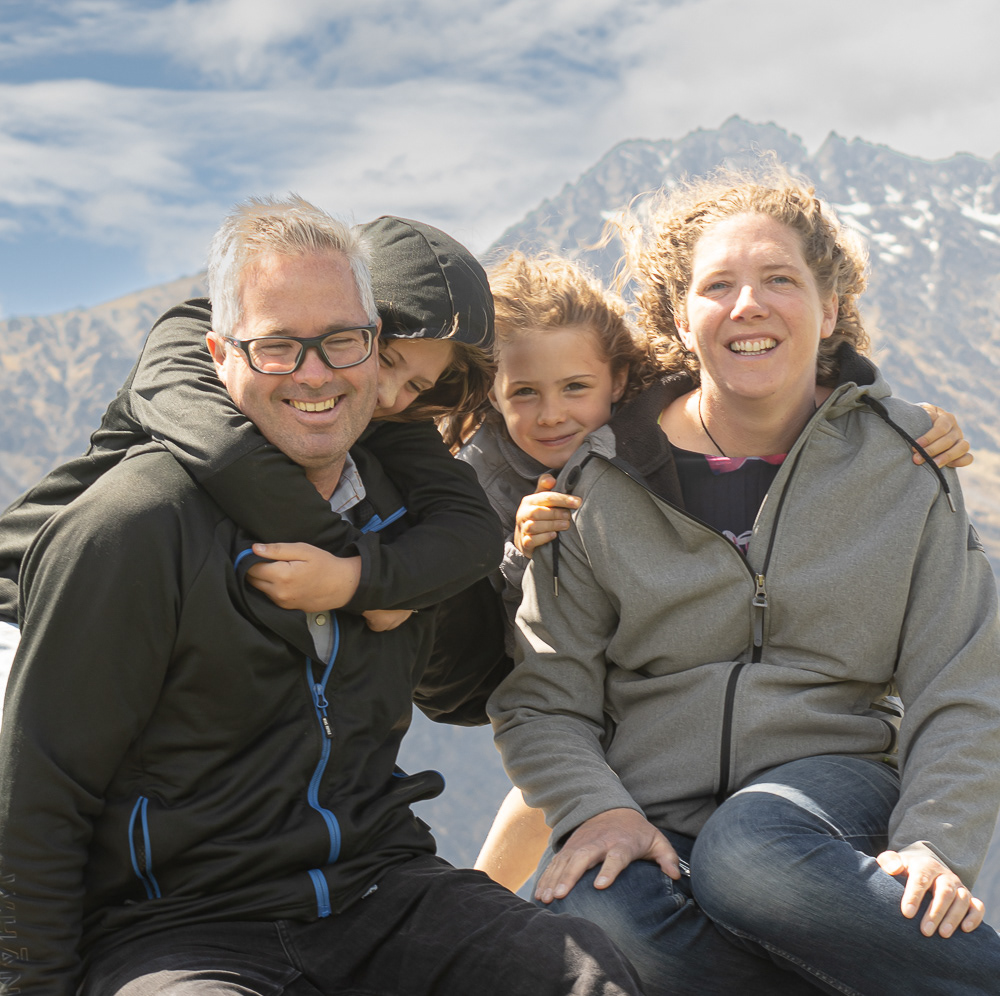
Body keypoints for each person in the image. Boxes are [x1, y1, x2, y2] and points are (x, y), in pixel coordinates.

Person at [0, 197, 642, 996]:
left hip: (374, 886)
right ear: (221, 353)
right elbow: (38, 796)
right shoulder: (136, 522)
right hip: (173, 919)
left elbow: (463, 677)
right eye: (279, 347)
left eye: (346, 345)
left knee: (582, 975)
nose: (326, 377)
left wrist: (401, 576)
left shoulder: (401, 510)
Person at [487, 169, 1000, 995]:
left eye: (780, 280)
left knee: (749, 848)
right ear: (680, 318)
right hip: (650, 805)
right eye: (718, 285)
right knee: (595, 916)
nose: (748, 305)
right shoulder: (596, 485)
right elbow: (544, 700)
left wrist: (934, 841)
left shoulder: (904, 465)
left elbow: (964, 680)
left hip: (831, 792)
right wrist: (599, 810)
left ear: (829, 309)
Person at [0, 215, 500, 635]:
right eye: (386, 359)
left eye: (418, 385)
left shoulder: (386, 415)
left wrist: (376, 583)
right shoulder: (195, 341)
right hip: (21, 603)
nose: (390, 394)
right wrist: (368, 580)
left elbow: (472, 528)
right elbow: (230, 456)